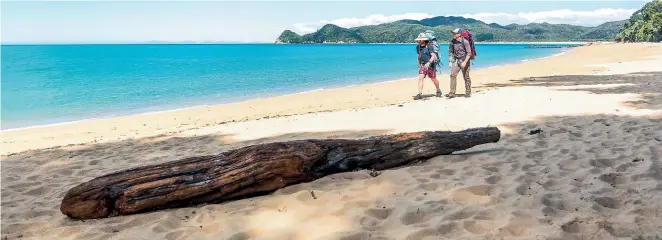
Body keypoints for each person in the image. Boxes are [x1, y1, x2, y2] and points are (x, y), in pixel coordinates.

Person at [414, 32, 442, 100]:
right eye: (419, 40)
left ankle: (438, 90)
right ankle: (419, 93)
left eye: (421, 40)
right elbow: (419, 56)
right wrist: (419, 64)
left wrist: (429, 63)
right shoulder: (418, 47)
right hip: (423, 65)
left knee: (433, 79)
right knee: (420, 78)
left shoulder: (429, 46)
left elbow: (433, 56)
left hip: (431, 65)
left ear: (424, 40)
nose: (419, 41)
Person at [447, 28, 472, 98]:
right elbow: (451, 52)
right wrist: (450, 61)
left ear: (459, 34)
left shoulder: (465, 42)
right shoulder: (452, 42)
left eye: (455, 33)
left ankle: (468, 92)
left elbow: (469, 53)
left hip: (465, 61)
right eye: (453, 33)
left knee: (466, 77)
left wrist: (465, 62)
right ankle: (452, 93)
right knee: (452, 75)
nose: (453, 34)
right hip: (457, 61)